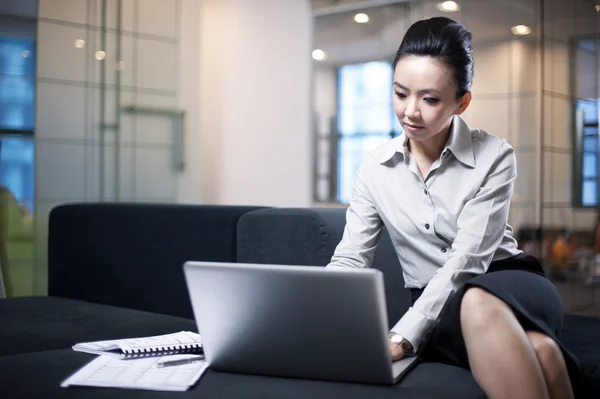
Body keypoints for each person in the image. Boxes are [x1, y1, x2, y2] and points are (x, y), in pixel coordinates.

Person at [326, 17, 580, 399]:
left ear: (462, 102)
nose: (410, 111)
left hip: (507, 280)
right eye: (400, 93)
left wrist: (402, 336)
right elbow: (351, 259)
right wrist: (311, 313)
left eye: (429, 99)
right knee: (542, 352)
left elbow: (467, 262)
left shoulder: (495, 156)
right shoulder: (373, 167)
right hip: (440, 306)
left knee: (476, 298)